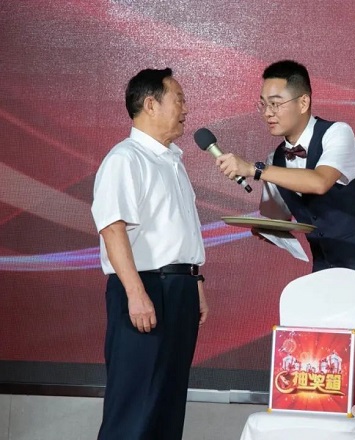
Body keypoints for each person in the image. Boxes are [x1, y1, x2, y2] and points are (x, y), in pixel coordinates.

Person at [216, 60, 355, 439]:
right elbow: (277, 216)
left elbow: (321, 181)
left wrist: (254, 169)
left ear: (303, 101)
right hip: (324, 270)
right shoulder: (276, 158)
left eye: (276, 103)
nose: (268, 112)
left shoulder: (338, 133)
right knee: (325, 367)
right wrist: (266, 228)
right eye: (262, 104)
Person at [91, 68, 208, 440]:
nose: (186, 109)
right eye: (179, 100)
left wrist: (195, 281)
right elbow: (113, 228)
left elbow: (178, 231)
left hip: (179, 288)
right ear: (151, 104)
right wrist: (135, 293)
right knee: (134, 406)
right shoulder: (126, 158)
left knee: (166, 404)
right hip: (145, 289)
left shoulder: (172, 160)